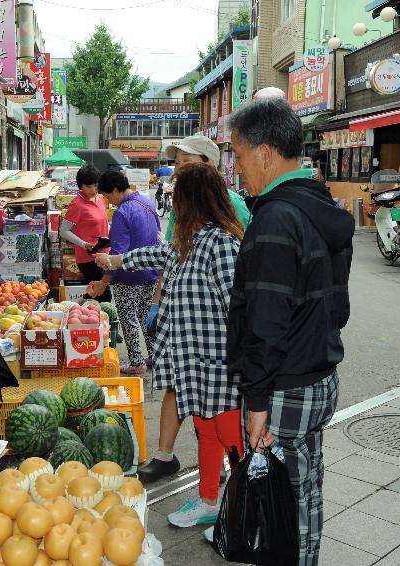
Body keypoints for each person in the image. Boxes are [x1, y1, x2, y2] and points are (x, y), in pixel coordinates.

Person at [226, 96, 354, 566]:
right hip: (318, 376)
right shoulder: (319, 207)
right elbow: (337, 307)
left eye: (238, 156)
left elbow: (265, 322)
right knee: (304, 494)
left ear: (264, 153)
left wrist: (257, 404)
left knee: (281, 504)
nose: (237, 170)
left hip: (284, 387)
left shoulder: (277, 218)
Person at [94, 162, 244, 537]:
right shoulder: (187, 241)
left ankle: (246, 509)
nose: (172, 205)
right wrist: (115, 260)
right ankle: (209, 501)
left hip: (220, 367)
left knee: (233, 441)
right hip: (195, 365)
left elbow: (239, 307)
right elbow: (152, 256)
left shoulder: (221, 243)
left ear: (194, 201)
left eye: (178, 198)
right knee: (206, 433)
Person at [138, 134, 251, 484]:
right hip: (188, 340)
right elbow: (169, 254)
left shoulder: (223, 228)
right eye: (178, 164)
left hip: (215, 352)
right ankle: (203, 489)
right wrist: (159, 301)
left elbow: (236, 295)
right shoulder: (188, 221)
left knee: (223, 425)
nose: (178, 173)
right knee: (196, 411)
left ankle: (233, 495)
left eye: (187, 164)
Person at [87, 171, 161, 375]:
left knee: (128, 318)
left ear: (116, 190)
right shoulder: (147, 203)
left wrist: (103, 282)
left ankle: (137, 361)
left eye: (108, 196)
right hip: (151, 271)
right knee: (146, 315)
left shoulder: (123, 212)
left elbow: (118, 255)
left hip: (129, 276)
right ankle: (154, 355)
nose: (109, 201)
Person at [60, 164, 112, 302]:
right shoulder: (77, 204)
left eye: (95, 185)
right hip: (88, 258)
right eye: (88, 186)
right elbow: (63, 231)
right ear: (80, 186)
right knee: (104, 295)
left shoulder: (100, 198)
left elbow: (103, 222)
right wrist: (83, 244)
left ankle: (77, 307)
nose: (93, 189)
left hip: (105, 254)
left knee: (99, 292)